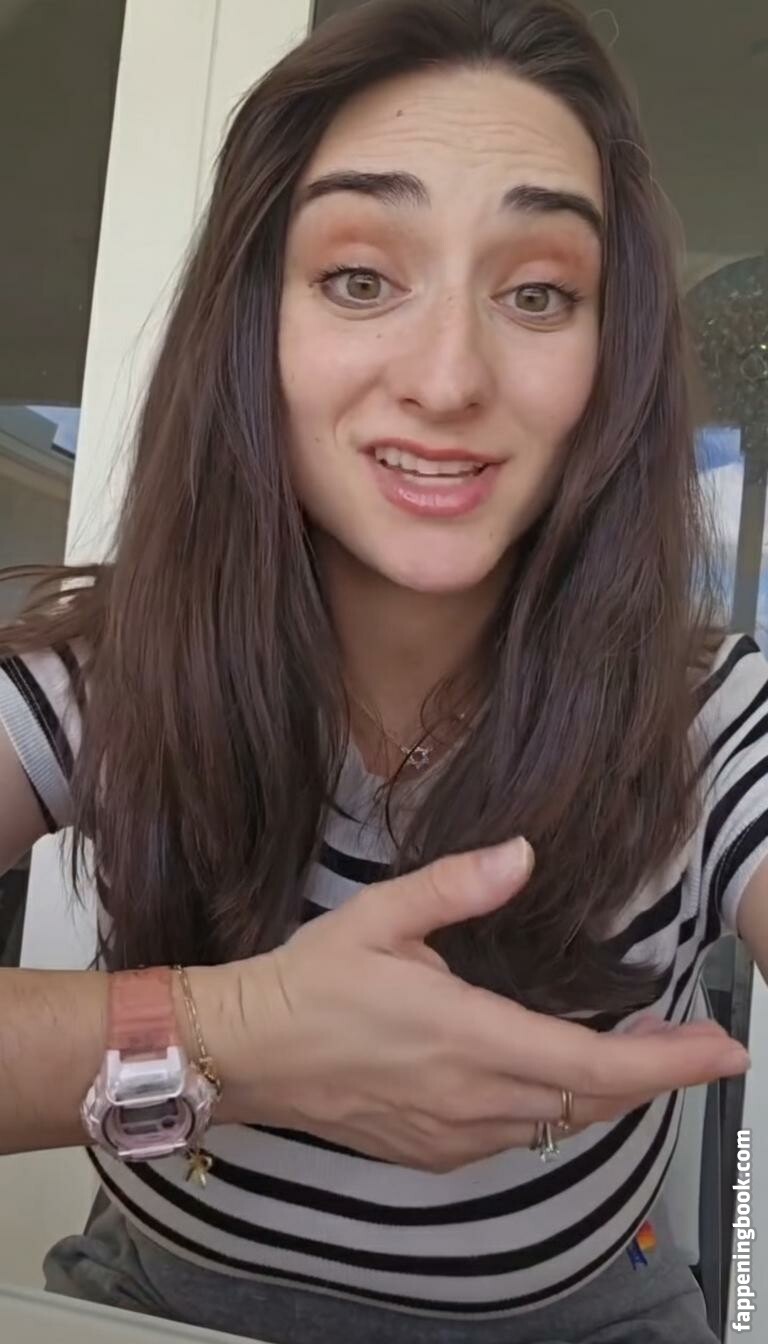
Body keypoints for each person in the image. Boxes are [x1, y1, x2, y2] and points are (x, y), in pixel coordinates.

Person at [1, 1, 766, 1340]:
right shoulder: (115, 670)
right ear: (255, 325)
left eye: (539, 293)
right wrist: (234, 1031)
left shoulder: (706, 712)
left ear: (614, 362)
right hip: (160, 1302)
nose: (449, 377)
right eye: (361, 278)